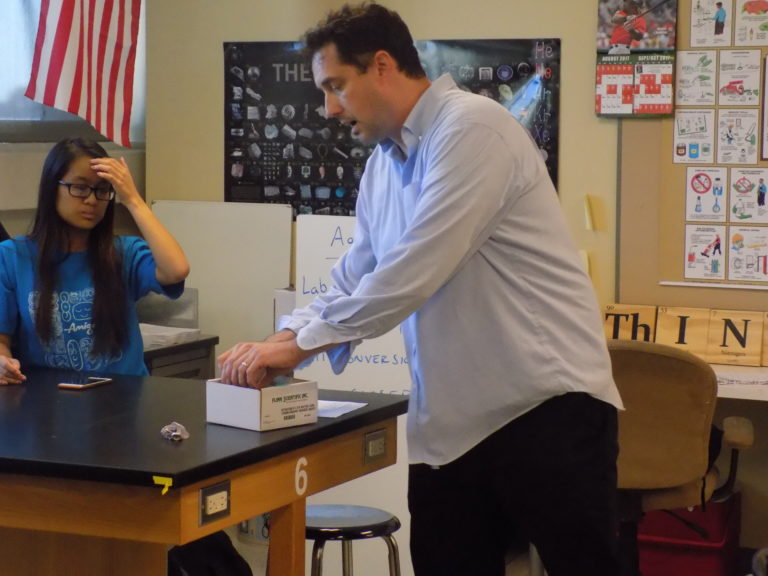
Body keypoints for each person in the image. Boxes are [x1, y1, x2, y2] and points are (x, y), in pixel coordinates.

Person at [218, 3, 623, 575]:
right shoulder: (384, 165)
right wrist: (283, 335)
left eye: (336, 86)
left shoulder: (473, 128)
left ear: (382, 65)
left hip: (545, 409)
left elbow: (415, 269)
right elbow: (353, 278)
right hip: (452, 425)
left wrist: (298, 346)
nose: (328, 109)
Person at [0, 138, 190, 384]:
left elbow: (177, 270)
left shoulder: (124, 252)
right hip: (48, 405)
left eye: (102, 190)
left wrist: (132, 199)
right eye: (79, 188)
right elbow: (2, 340)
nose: (91, 200)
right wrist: (4, 362)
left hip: (123, 403)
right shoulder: (12, 256)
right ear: (52, 188)